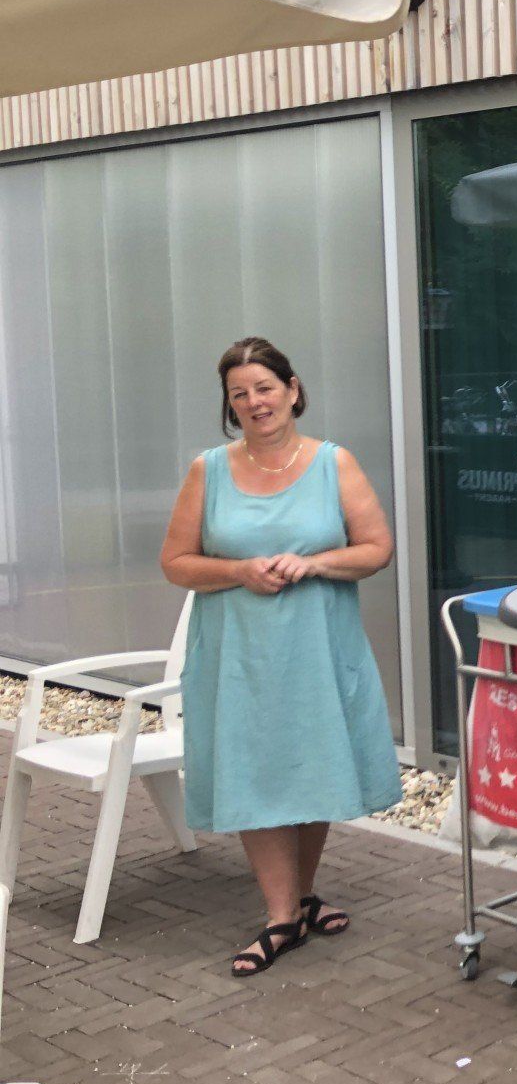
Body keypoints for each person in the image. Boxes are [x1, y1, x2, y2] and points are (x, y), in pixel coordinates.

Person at [159, 337, 404, 978]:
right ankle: (281, 919)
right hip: (238, 656)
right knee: (255, 769)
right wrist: (239, 571)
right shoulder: (208, 470)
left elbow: (376, 548)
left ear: (292, 390)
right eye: (239, 394)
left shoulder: (334, 463)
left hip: (318, 650)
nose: (254, 402)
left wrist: (314, 563)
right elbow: (176, 563)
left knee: (314, 763)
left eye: (264, 388)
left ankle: (297, 897)